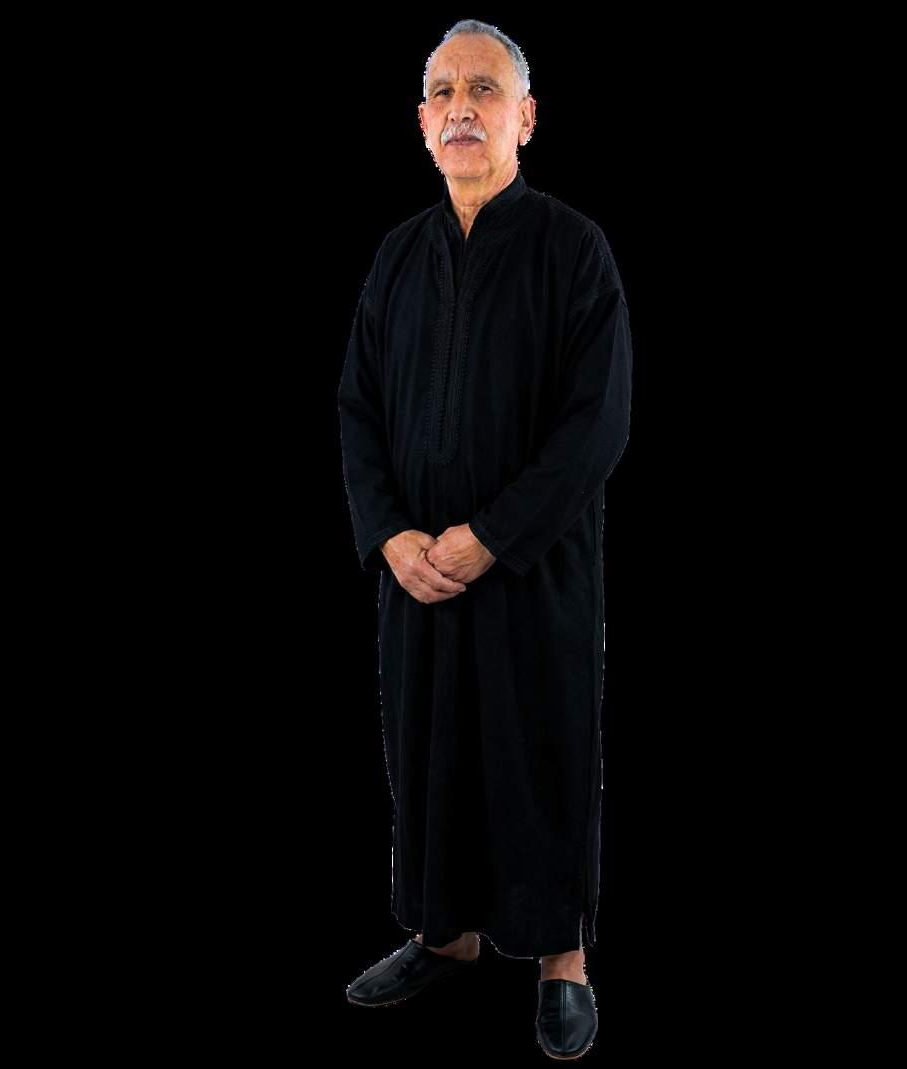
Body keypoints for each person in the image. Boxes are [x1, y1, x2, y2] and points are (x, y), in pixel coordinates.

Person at [339, 19, 631, 1057]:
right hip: (418, 575)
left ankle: (561, 961)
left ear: (526, 117)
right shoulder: (398, 257)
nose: (462, 107)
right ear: (422, 124)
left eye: (485, 89)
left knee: (540, 752)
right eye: (443, 92)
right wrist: (390, 535)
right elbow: (358, 409)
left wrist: (492, 536)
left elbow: (597, 423)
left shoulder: (573, 250)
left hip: (533, 572)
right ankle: (443, 933)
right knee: (430, 754)